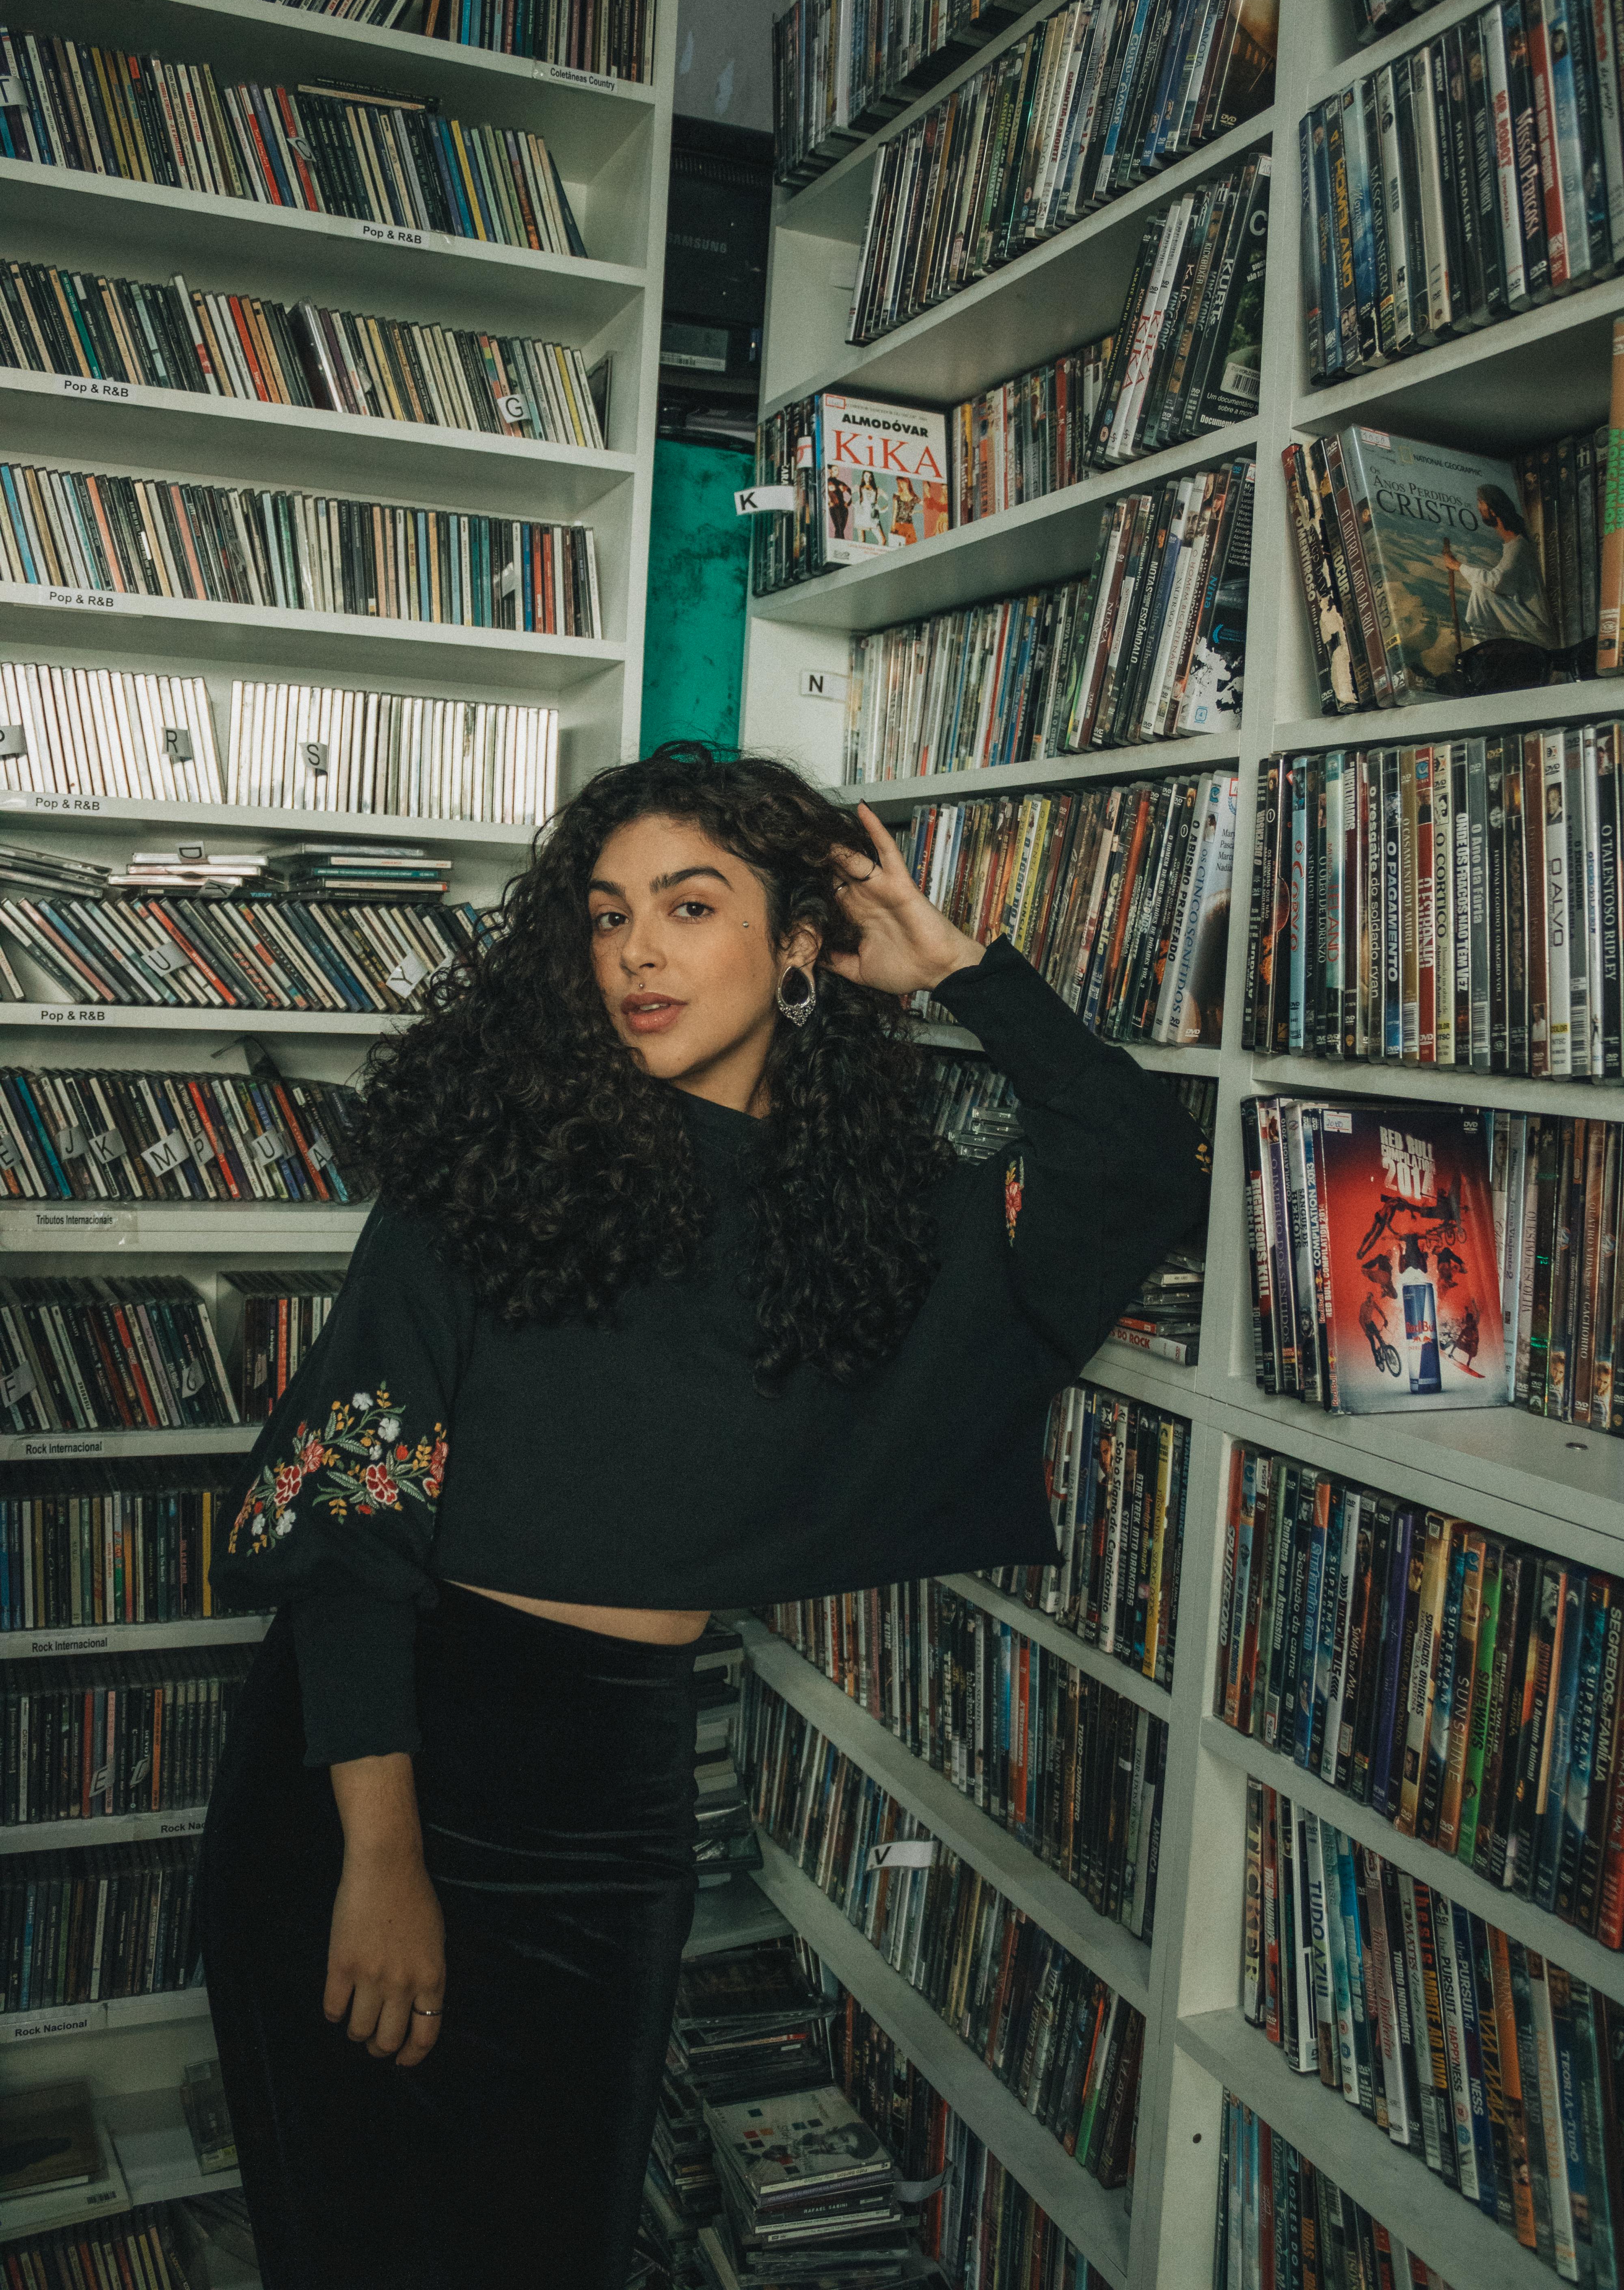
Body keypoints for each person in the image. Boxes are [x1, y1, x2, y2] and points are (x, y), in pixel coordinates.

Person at [196, 741, 1207, 2290]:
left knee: (553, 2239)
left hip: (613, 1776)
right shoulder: (481, 1186)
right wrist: (380, 1855)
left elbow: (1132, 1165)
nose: (638, 953)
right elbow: (349, 1522)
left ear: (801, 939)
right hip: (380, 1766)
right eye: (604, 917)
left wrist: (957, 965)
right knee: (358, 2245)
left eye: (688, 904)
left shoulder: (874, 1228)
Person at [1439, 485, 1557, 651]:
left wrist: (1458, 566)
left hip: (1536, 632)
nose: (1478, 508)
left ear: (1493, 511)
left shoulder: (1519, 547)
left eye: (1481, 503)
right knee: (1483, 589)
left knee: (1482, 592)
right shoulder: (1514, 545)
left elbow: (1497, 582)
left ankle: (1485, 653)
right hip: (1525, 625)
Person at [851, 468, 888, 544]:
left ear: (872, 478)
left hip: (872, 516)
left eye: (870, 476)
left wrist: (883, 509)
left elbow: (889, 499)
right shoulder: (859, 488)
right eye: (866, 476)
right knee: (862, 540)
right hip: (861, 515)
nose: (868, 478)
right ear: (863, 477)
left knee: (882, 540)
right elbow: (846, 493)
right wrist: (852, 504)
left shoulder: (877, 490)